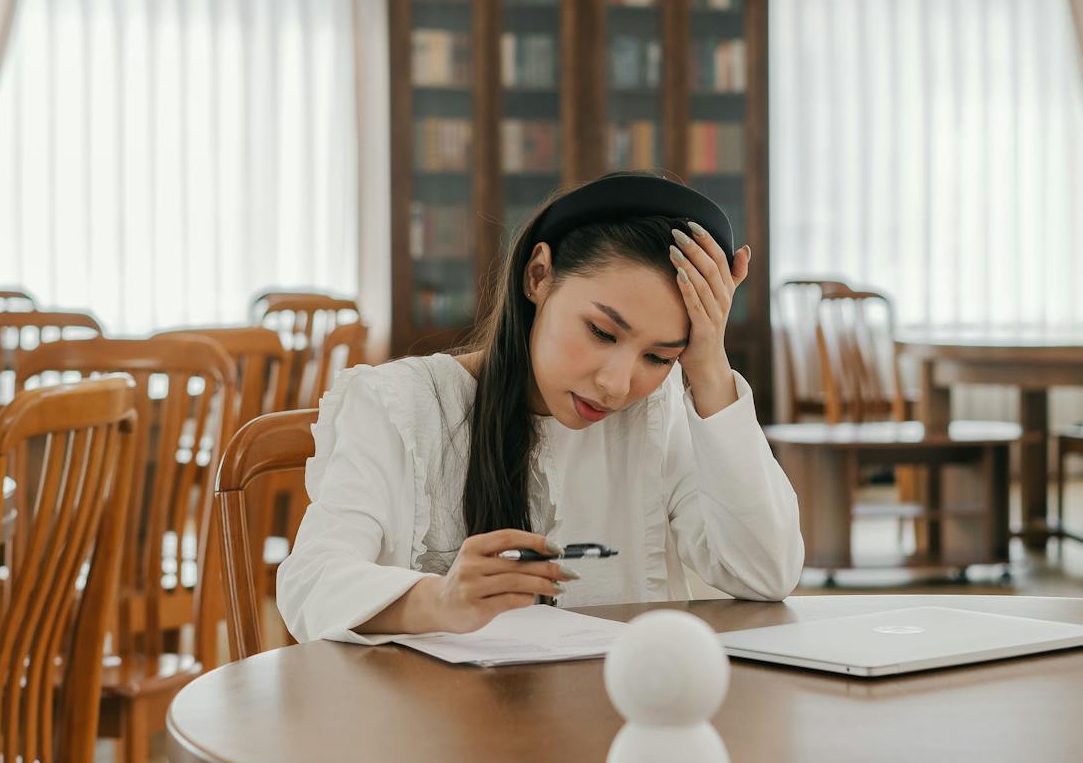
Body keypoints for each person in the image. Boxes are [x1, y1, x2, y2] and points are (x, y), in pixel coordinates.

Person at [277, 172, 803, 643]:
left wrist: (709, 366)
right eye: (601, 332)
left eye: (658, 356)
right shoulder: (401, 405)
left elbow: (767, 573)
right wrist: (439, 599)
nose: (617, 384)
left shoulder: (658, 416)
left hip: (619, 726)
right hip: (434, 736)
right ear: (538, 275)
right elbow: (311, 585)